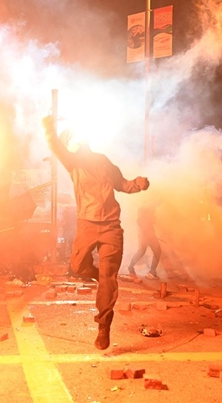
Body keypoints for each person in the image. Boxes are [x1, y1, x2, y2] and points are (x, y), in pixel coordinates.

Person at [43, 116, 150, 350]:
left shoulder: (103, 161)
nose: (78, 142)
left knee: (108, 279)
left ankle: (103, 326)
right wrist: (50, 129)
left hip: (111, 226)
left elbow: (121, 184)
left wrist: (138, 184)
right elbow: (56, 147)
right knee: (78, 266)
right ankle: (96, 275)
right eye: (72, 140)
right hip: (86, 224)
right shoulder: (73, 164)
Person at [127, 201, 162, 280]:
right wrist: (148, 234)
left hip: (144, 234)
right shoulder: (148, 209)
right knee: (157, 251)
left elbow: (140, 222)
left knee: (141, 251)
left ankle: (131, 268)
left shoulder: (142, 209)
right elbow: (153, 221)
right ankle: (152, 273)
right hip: (149, 234)